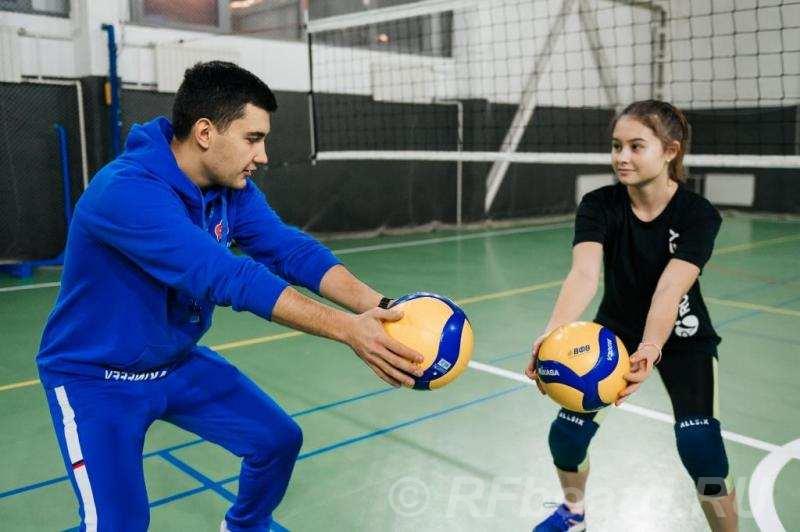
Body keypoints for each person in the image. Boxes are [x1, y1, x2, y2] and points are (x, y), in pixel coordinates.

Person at [36, 61, 424, 532]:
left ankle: (243, 528)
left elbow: (289, 250)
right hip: (97, 379)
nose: (261, 155)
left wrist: (380, 307)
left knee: (276, 441)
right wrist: (348, 332)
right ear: (205, 132)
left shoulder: (229, 188)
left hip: (175, 364)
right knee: (119, 525)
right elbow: (227, 277)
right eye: (253, 138)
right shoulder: (125, 193)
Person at [525, 100, 738, 531]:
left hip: (682, 336)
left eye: (636, 146)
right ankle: (573, 513)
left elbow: (669, 288)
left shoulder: (698, 215)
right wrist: (550, 336)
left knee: (701, 448)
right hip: (614, 332)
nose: (621, 157)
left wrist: (652, 346)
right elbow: (584, 275)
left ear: (670, 151)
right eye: (616, 145)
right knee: (566, 436)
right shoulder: (600, 205)